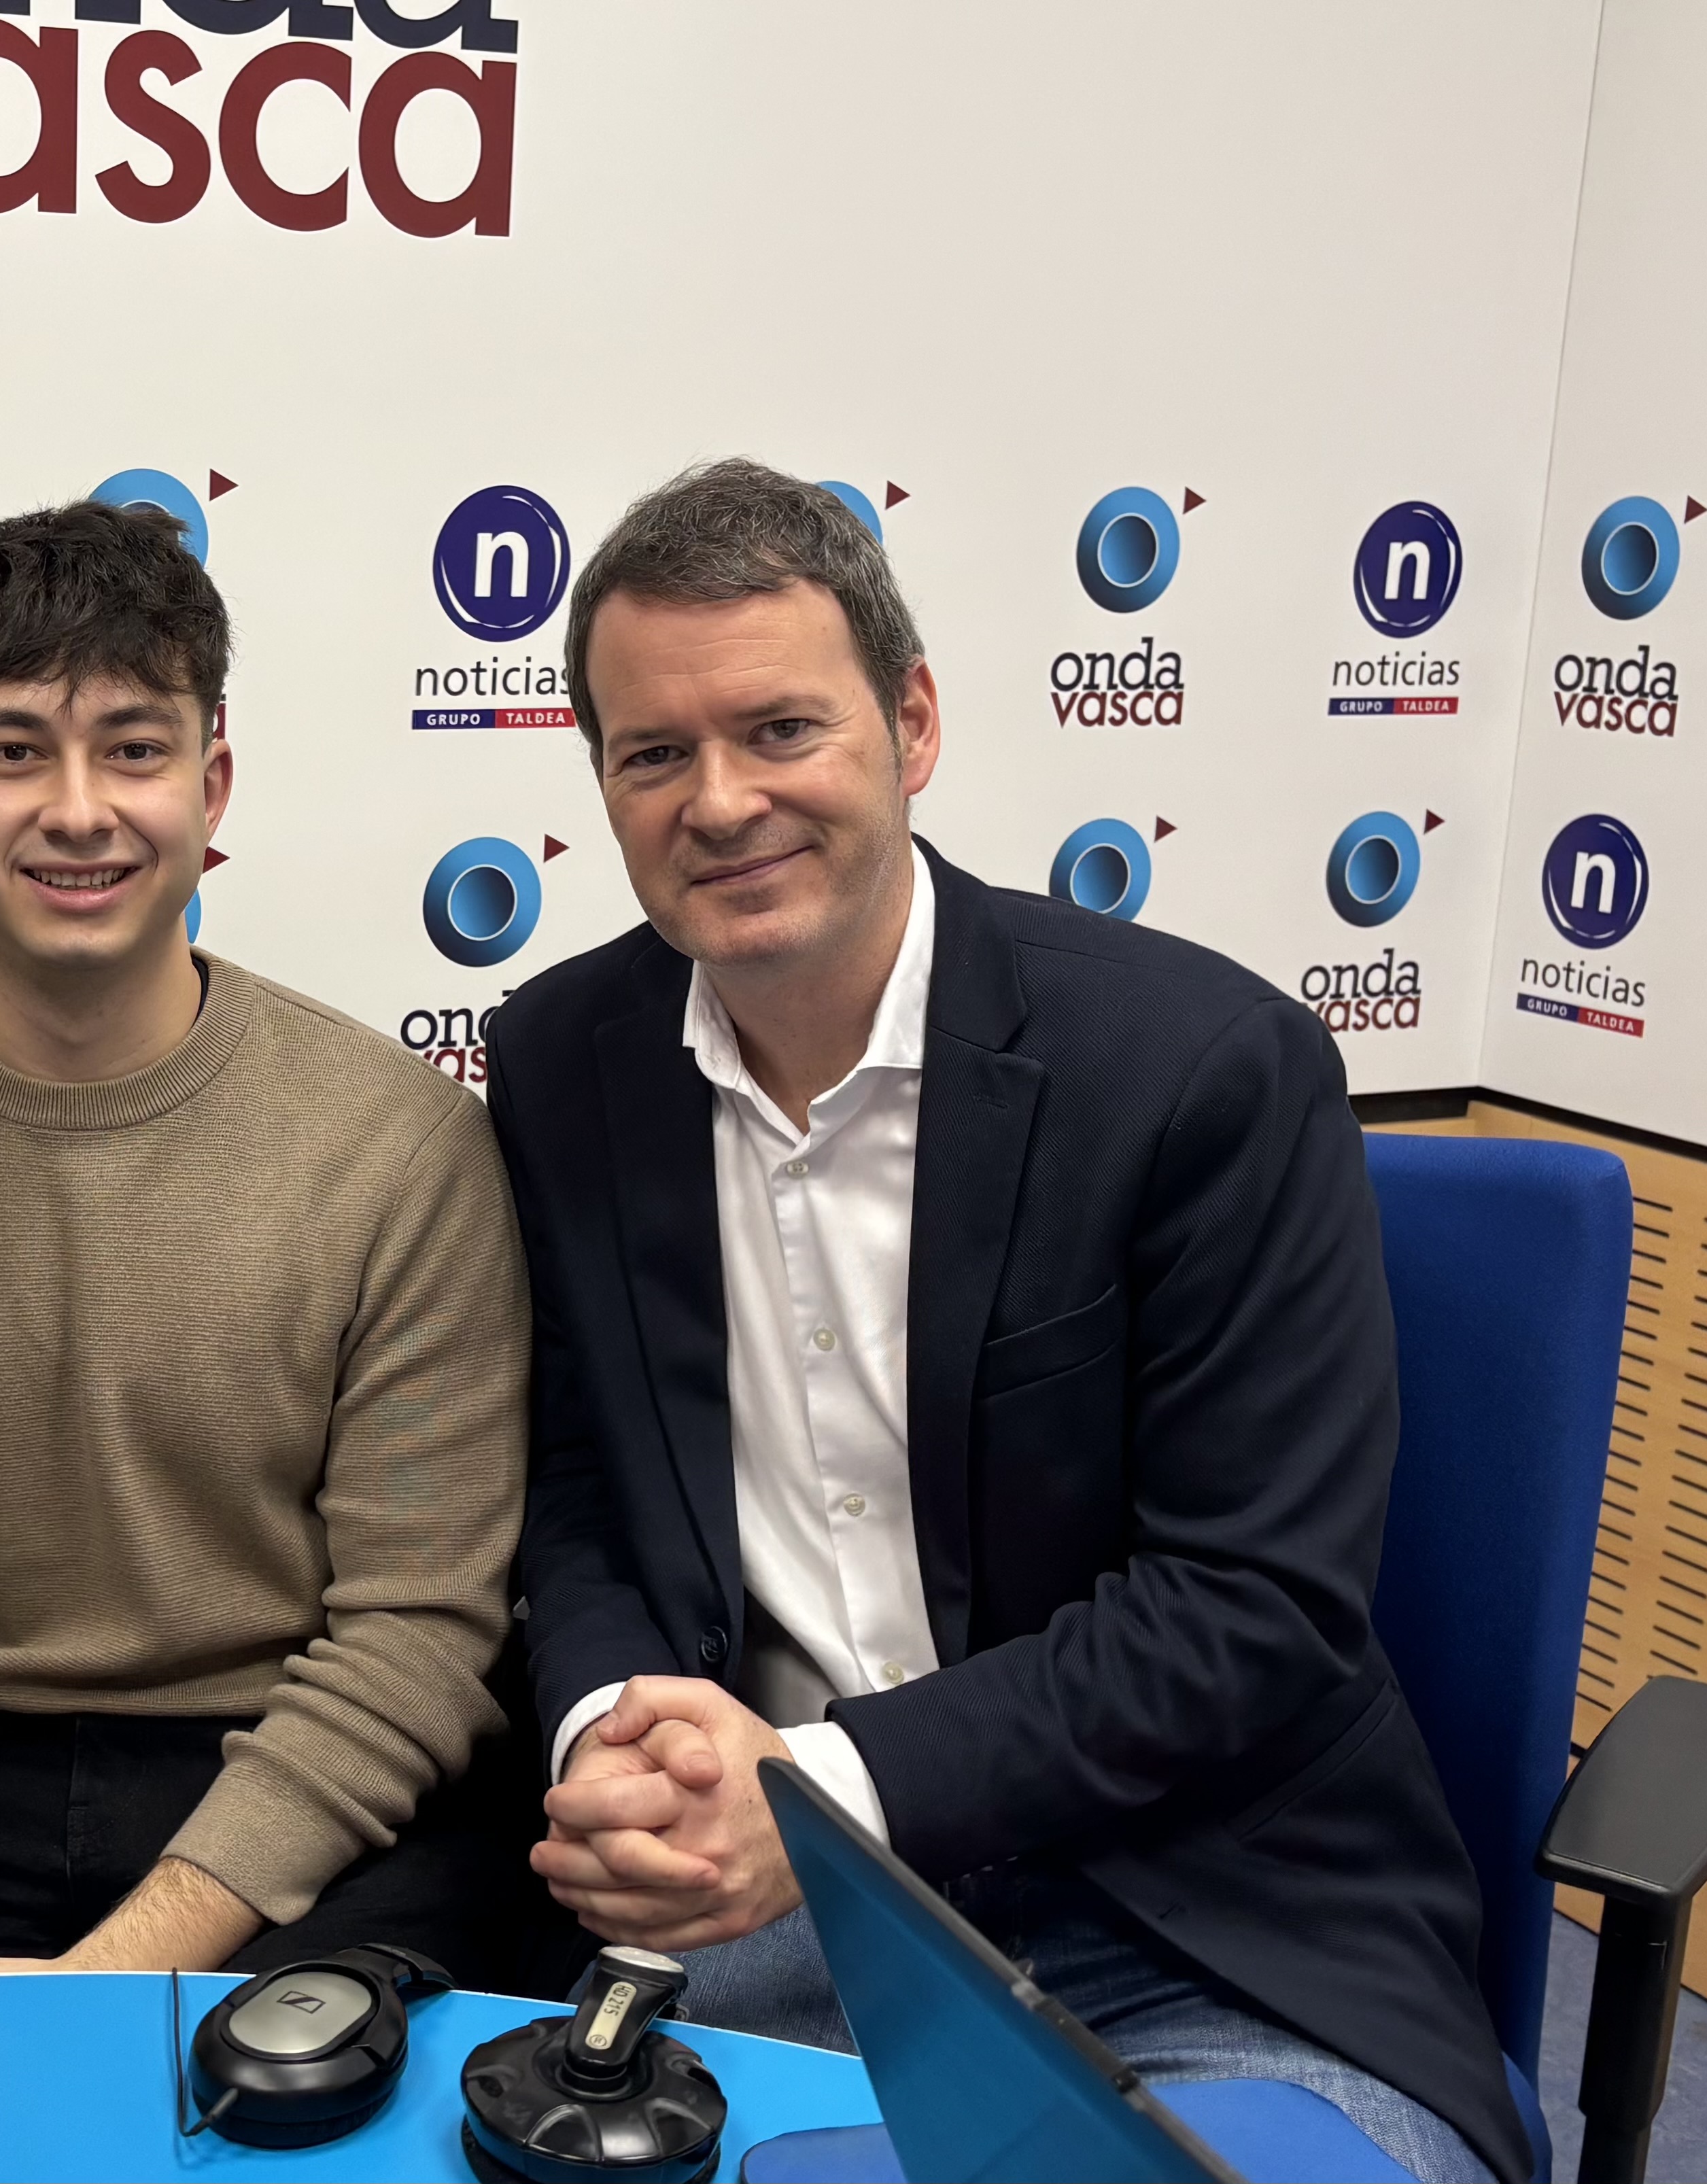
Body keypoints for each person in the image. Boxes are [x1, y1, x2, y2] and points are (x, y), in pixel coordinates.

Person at [484, 460, 1523, 2184]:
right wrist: (610, 1728)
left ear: (913, 723)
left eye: (782, 730)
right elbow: (586, 1481)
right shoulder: (562, 1064)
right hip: (778, 1922)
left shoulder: (1195, 1070)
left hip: (1206, 1916)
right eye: (652, 753)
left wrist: (825, 1786)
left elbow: (1251, 1606)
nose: (720, 799)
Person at [0, 499, 566, 1991]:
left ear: (211, 783)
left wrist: (101, 1990)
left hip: (301, 1777)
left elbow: (412, 1637)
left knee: (324, 2080)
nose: (79, 807)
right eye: (16, 748)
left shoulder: (400, 1143)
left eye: (136, 748)